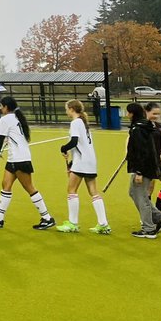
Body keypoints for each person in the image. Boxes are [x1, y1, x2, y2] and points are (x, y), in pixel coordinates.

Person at [0, 96, 56, 230]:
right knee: (6, 185)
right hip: (13, 158)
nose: (0, 108)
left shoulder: (6, 119)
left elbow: (0, 139)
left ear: (6, 107)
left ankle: (47, 218)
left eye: (1, 106)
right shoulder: (16, 117)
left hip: (20, 159)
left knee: (30, 188)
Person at [55, 99, 110, 234]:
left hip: (82, 162)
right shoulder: (83, 123)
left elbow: (74, 141)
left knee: (71, 190)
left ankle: (72, 223)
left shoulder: (75, 123)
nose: (66, 111)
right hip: (90, 161)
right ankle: (103, 224)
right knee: (93, 191)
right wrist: (72, 162)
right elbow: (81, 145)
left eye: (67, 108)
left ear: (72, 109)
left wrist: (64, 148)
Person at [126, 103, 161, 239]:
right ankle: (158, 217)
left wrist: (138, 171)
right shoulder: (143, 126)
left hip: (144, 167)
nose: (126, 115)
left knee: (141, 196)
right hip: (147, 165)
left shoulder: (138, 128)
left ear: (132, 113)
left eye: (128, 112)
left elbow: (141, 151)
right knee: (133, 193)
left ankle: (149, 228)